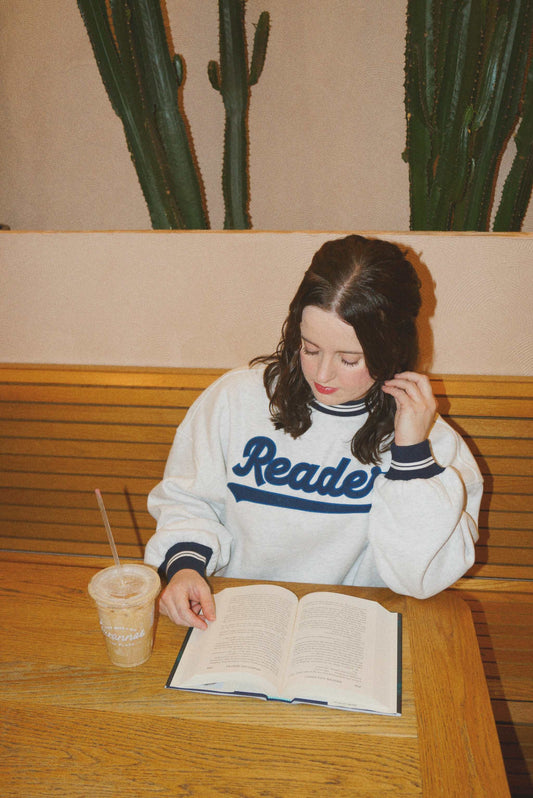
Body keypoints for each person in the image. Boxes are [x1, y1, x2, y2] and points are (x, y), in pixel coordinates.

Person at [145, 234, 482, 629]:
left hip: (352, 630)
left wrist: (410, 456)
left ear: (391, 349)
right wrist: (185, 566)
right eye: (310, 348)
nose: (323, 375)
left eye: (349, 358)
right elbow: (189, 500)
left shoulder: (429, 442)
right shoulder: (236, 399)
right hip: (232, 619)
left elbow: (420, 579)